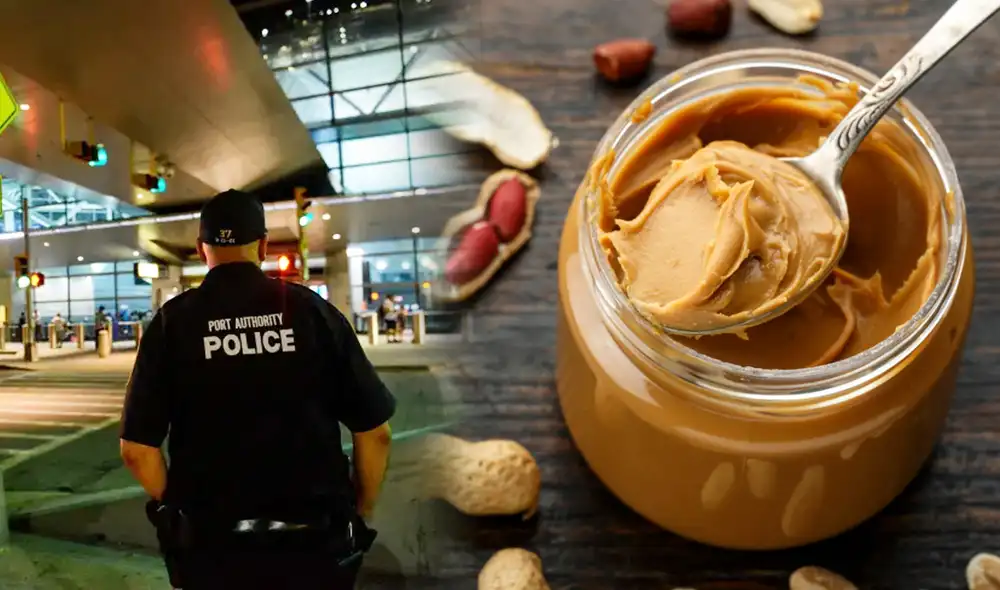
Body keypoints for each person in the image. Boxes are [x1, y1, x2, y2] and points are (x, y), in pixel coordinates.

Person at [118, 189, 396, 590]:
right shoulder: (313, 313)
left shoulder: (172, 324)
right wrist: (360, 509)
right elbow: (375, 433)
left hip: (212, 551)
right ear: (263, 246)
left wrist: (183, 509)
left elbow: (137, 450)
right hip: (314, 545)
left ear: (201, 248)